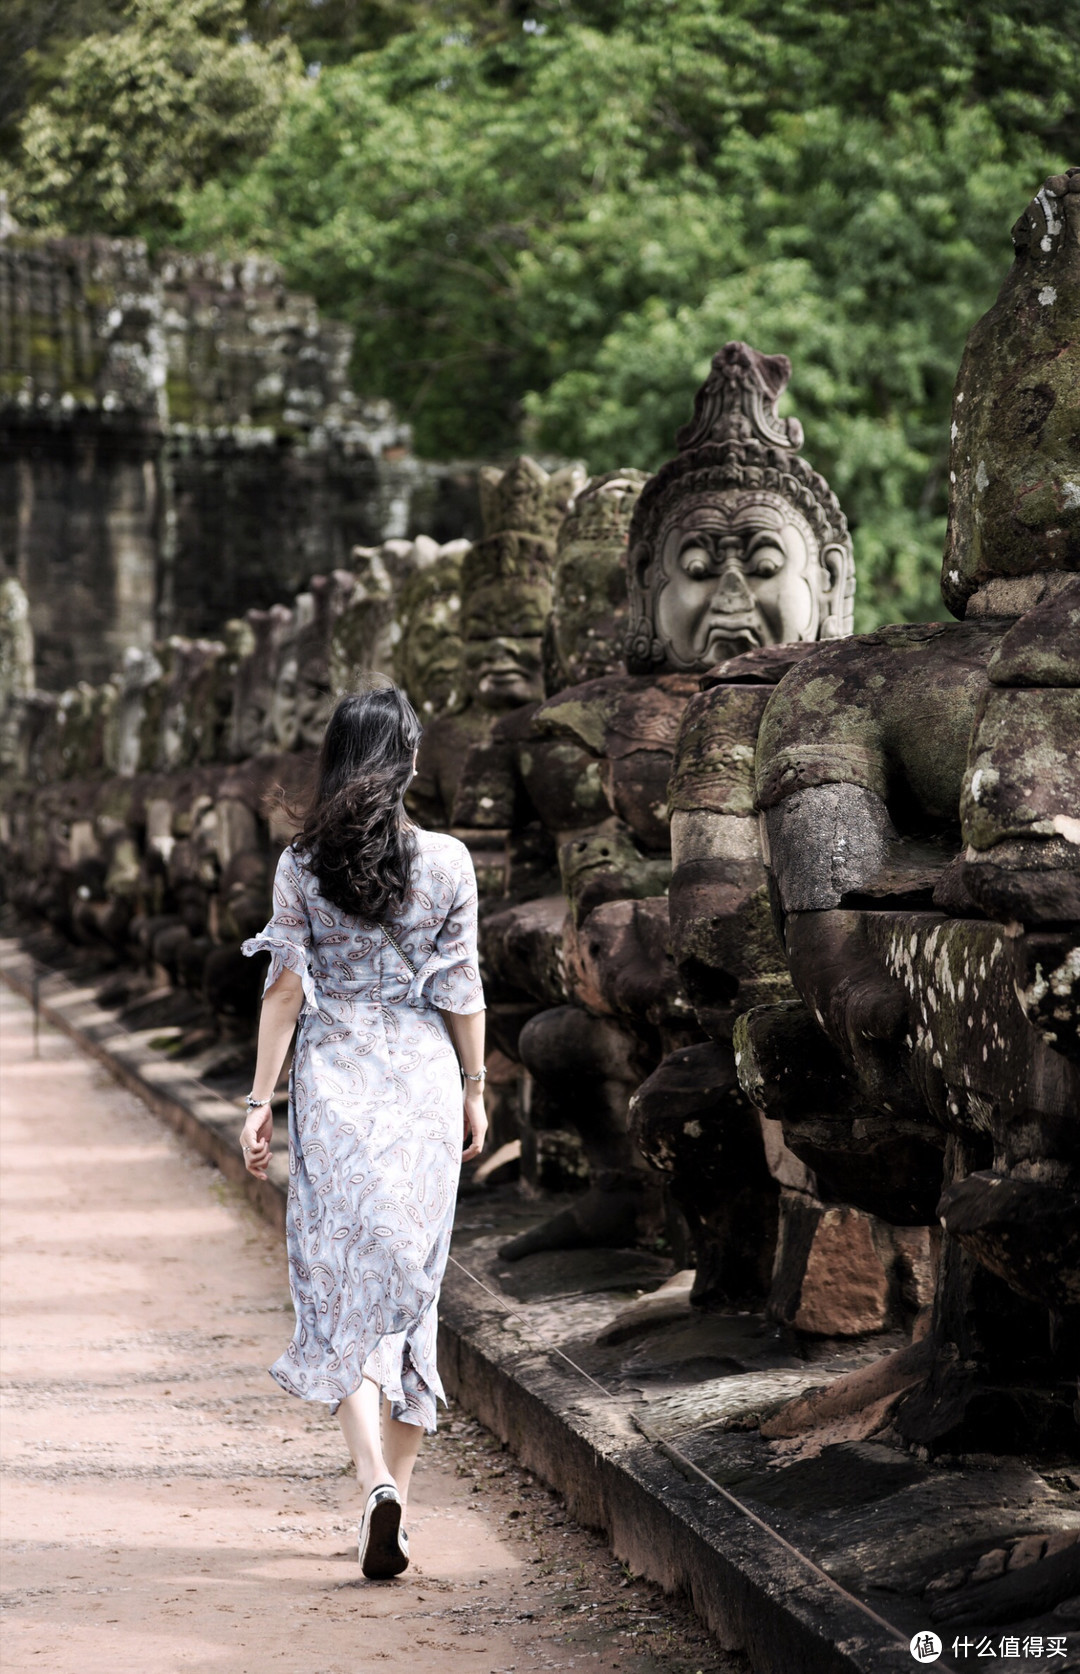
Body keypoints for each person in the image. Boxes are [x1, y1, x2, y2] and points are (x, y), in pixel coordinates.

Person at [238, 685, 487, 1579]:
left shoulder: (302, 867)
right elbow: (462, 987)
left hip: (335, 1087)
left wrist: (258, 1102)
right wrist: (476, 1087)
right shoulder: (451, 863)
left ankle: (373, 1482)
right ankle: (401, 1507)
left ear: (336, 762)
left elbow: (284, 991)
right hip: (421, 1083)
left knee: (338, 1286)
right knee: (412, 1291)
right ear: (412, 760)